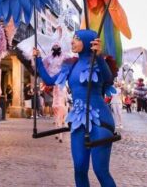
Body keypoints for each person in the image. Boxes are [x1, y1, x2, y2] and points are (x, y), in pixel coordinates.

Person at [35, 30, 116, 187]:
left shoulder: (98, 62)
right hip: (78, 121)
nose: (72, 42)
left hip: (100, 121)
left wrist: (99, 56)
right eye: (73, 38)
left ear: (89, 42)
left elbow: (108, 78)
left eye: (77, 39)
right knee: (79, 169)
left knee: (101, 171)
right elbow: (50, 80)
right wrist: (37, 59)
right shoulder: (70, 65)